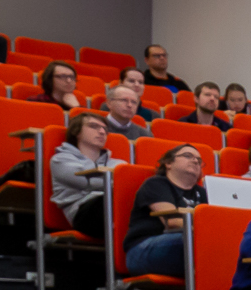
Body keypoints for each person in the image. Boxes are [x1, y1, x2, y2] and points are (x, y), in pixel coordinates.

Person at [122, 144, 208, 277]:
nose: (195, 161)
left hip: (184, 242)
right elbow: (172, 222)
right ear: (168, 163)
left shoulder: (202, 193)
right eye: (188, 156)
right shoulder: (156, 184)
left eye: (199, 160)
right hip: (142, 249)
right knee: (202, 244)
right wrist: (208, 233)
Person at [50, 110, 113, 240]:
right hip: (83, 214)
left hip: (112, 206)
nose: (102, 132)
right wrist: (115, 184)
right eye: (93, 126)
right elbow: (84, 182)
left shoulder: (118, 163)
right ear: (76, 132)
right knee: (113, 200)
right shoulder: (61, 159)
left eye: (105, 129)